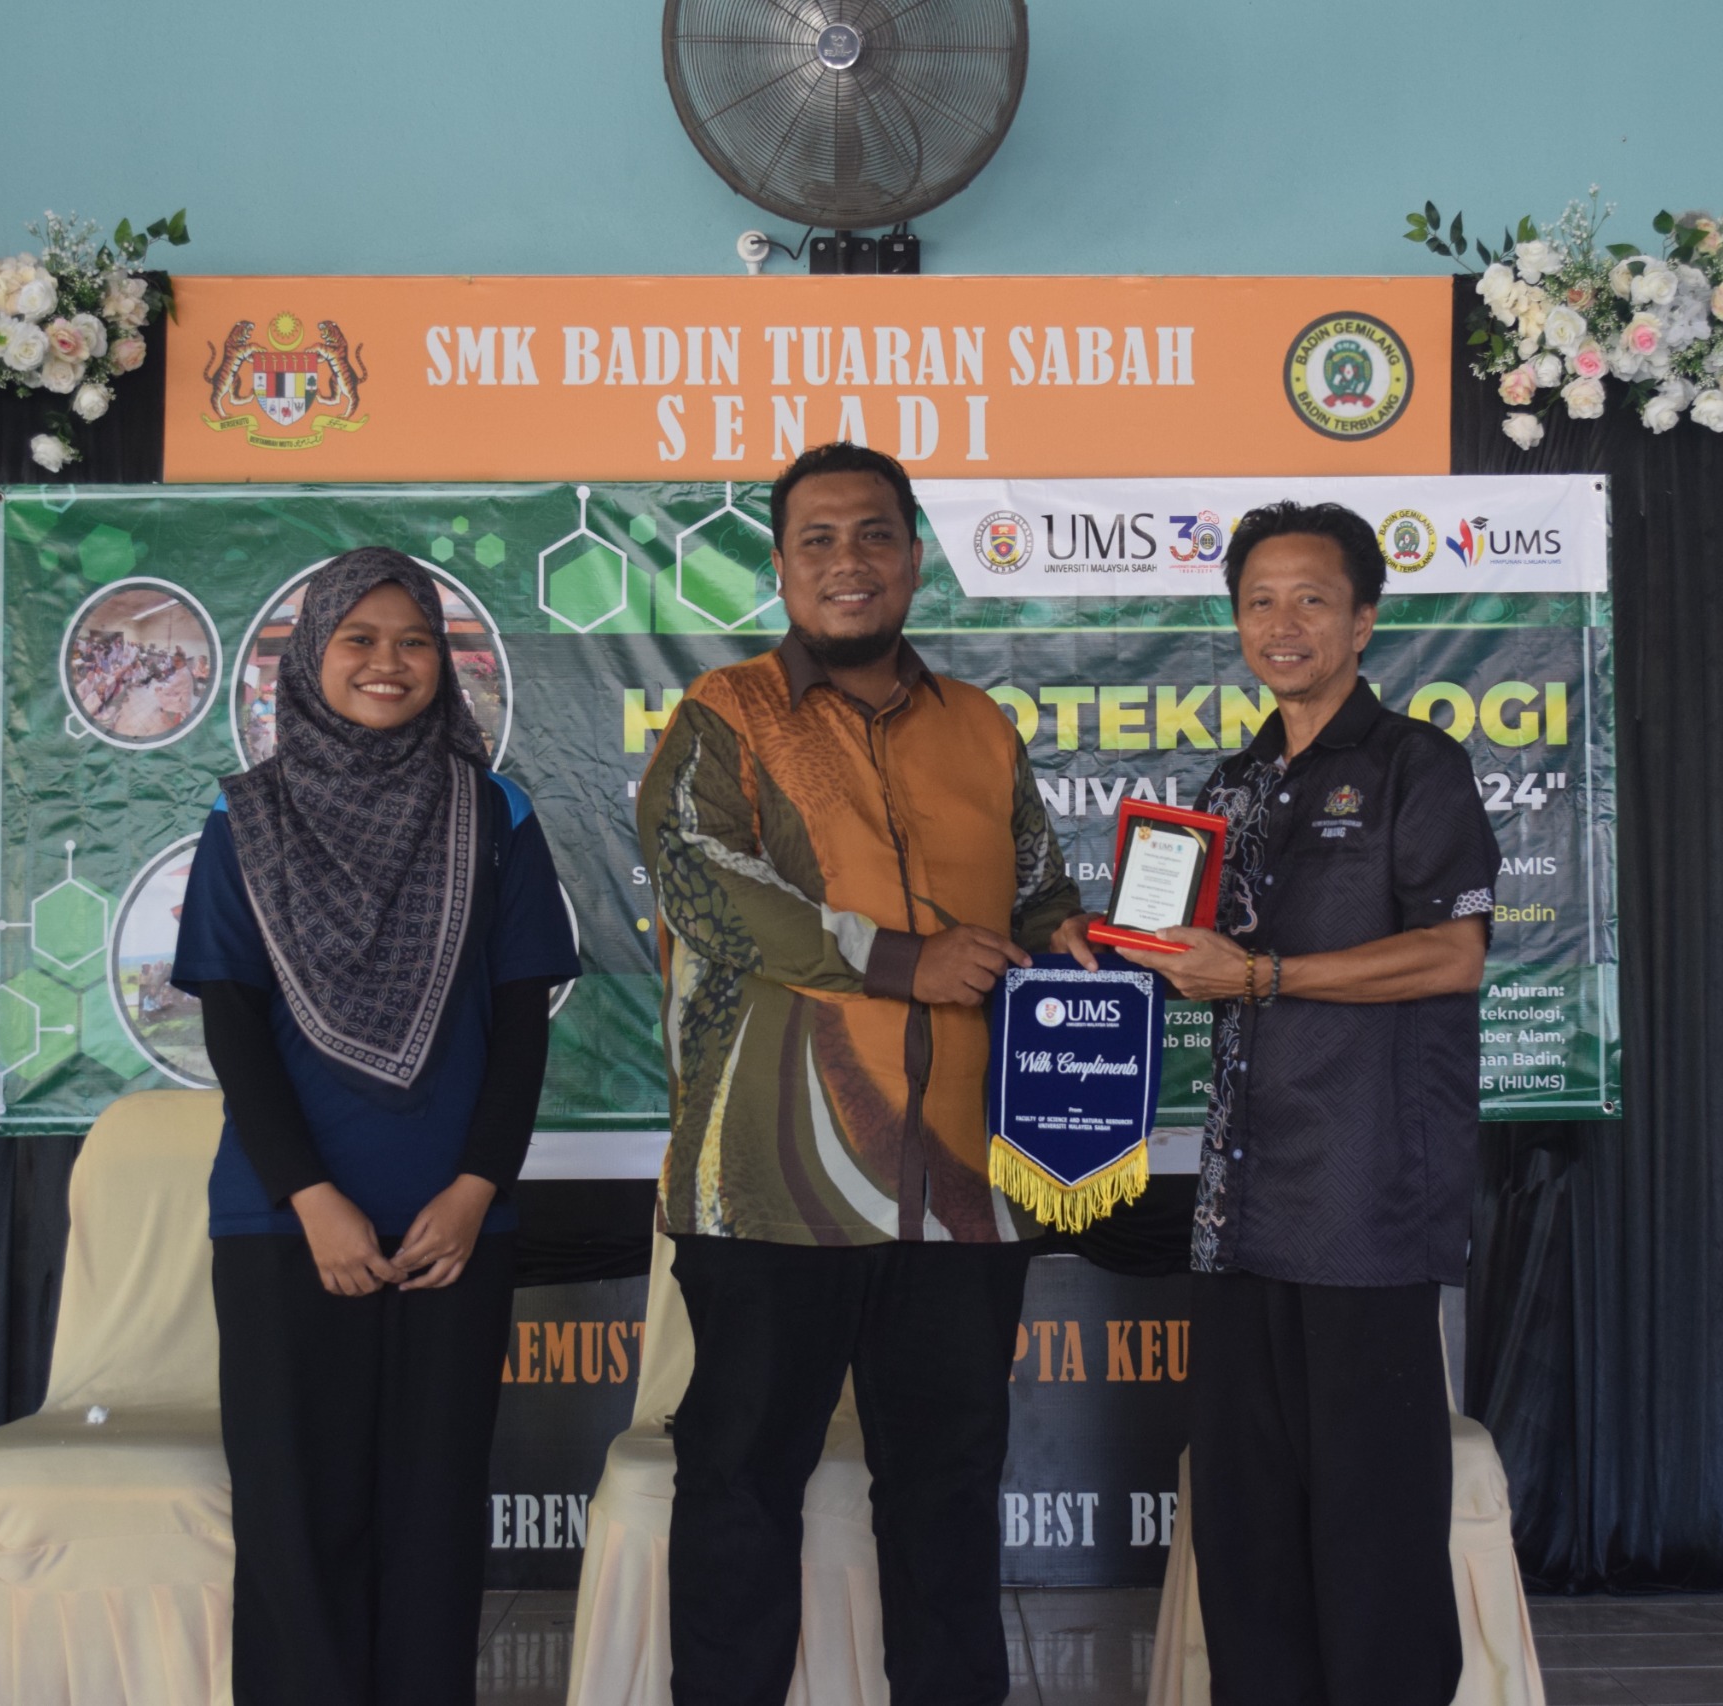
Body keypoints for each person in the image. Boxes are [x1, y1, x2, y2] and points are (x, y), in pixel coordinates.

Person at [636, 442, 1097, 1706]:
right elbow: (707, 886)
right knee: (740, 1485)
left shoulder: (981, 726)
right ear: (782, 566)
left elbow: (1039, 886)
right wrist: (905, 959)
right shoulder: (724, 715)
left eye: (876, 533)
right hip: (767, 1182)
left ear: (913, 557)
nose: (850, 560)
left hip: (958, 1180)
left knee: (947, 1489)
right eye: (820, 538)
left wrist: (1070, 936)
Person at [172, 546, 580, 1706]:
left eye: (413, 641)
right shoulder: (244, 815)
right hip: (284, 1221)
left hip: (454, 1222)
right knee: (295, 1520)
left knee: (432, 1519)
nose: (386, 662)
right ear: (311, 654)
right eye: (359, 637)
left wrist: (476, 1188)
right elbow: (234, 1025)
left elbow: (521, 1024)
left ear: (444, 661)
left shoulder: (495, 811)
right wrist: (311, 1198)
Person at [1112, 501, 1501, 1706]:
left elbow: (1452, 953)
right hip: (1239, 1214)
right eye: (1259, 601)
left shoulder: (1415, 766)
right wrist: (1100, 946)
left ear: (1363, 620)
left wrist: (1264, 975)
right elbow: (1185, 956)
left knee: (1373, 1532)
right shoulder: (1229, 785)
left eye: (1312, 598)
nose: (1283, 623)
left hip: (1364, 1206)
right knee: (1248, 1534)